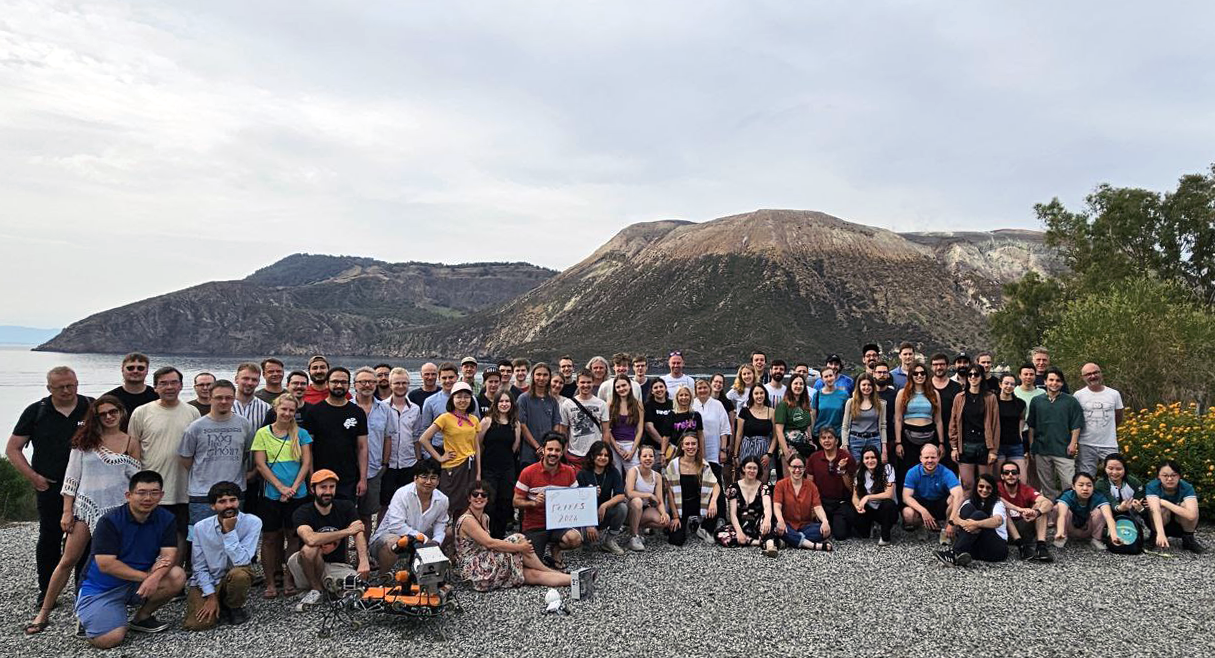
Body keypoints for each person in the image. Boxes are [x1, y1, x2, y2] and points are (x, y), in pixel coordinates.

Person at [25, 395, 141, 635]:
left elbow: (135, 481)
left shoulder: (131, 442)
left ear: (121, 413)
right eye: (103, 413)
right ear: (95, 417)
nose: (109, 417)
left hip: (118, 511)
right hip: (85, 509)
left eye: (113, 412)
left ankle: (102, 608)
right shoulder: (84, 441)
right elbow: (71, 479)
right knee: (68, 560)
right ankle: (44, 611)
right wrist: (67, 512)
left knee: (115, 562)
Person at [7, 365, 92, 608]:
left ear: (77, 383)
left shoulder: (91, 407)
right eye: (60, 387)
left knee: (87, 539)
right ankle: (47, 590)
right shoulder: (37, 411)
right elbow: (13, 449)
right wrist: (33, 477)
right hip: (51, 487)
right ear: (49, 388)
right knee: (50, 538)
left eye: (71, 385)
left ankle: (83, 589)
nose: (66, 391)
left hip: (86, 487)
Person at [73, 470, 187, 648]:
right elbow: (106, 564)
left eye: (154, 493)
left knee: (177, 575)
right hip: (102, 587)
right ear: (128, 495)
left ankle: (142, 618)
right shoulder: (109, 521)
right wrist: (147, 577)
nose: (147, 498)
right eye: (141, 492)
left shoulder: (166, 519)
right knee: (110, 639)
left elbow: (168, 555)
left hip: (136, 584)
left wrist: (155, 577)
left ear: (161, 495)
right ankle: (90, 615)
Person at [128, 366, 201, 565]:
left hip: (183, 487)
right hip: (151, 489)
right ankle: (146, 574)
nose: (169, 387)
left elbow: (197, 448)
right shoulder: (141, 412)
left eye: (173, 382)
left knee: (180, 532)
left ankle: (175, 576)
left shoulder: (192, 412)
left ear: (181, 385)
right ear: (155, 387)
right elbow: (133, 449)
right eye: (163, 383)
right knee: (148, 533)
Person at [455, 482, 572, 591]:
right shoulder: (467, 520)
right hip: (475, 570)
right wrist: (521, 548)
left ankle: (574, 580)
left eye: (483, 495)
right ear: (469, 498)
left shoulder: (485, 517)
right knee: (517, 539)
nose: (479, 497)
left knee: (532, 575)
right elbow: (489, 543)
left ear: (488, 498)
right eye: (475, 494)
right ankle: (548, 570)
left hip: (487, 562)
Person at [251, 394, 313, 598]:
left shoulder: (301, 433)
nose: (287, 413)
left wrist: (294, 487)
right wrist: (280, 487)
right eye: (283, 409)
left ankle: (289, 577)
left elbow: (306, 463)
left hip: (297, 493)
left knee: (293, 537)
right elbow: (260, 464)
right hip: (272, 493)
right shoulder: (262, 433)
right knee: (269, 538)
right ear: (275, 410)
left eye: (291, 410)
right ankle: (270, 581)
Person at [179, 380, 255, 537]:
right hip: (202, 494)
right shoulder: (196, 427)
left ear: (234, 399)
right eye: (219, 397)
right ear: (210, 398)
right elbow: (186, 459)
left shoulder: (244, 424)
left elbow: (246, 454)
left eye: (228, 398)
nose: (224, 401)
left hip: (235, 493)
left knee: (233, 537)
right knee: (200, 539)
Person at [290, 470, 370, 612]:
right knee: (310, 548)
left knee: (359, 587)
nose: (327, 491)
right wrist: (346, 531)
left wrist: (363, 560)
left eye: (331, 487)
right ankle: (316, 590)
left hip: (335, 564)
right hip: (305, 564)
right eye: (323, 487)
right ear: (312, 489)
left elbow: (358, 532)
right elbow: (311, 538)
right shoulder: (302, 512)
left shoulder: (346, 506)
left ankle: (330, 590)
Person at [185, 481, 261, 629]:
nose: (228, 506)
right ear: (213, 506)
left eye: (232, 500)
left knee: (240, 574)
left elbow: (242, 561)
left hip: (235, 574)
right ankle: (218, 602)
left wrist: (229, 532)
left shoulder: (253, 522)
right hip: (210, 579)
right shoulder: (201, 527)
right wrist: (210, 596)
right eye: (222, 502)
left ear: (238, 501)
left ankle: (233, 606)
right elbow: (199, 567)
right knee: (197, 624)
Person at [417, 381, 481, 541]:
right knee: (447, 507)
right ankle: (437, 542)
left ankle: (457, 544)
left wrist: (479, 472)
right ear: (452, 399)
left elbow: (476, 446)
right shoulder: (445, 418)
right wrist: (440, 457)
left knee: (465, 506)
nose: (462, 400)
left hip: (470, 467)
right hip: (452, 468)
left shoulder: (473, 419)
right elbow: (424, 438)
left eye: (466, 397)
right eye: (459, 397)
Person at [514, 433, 583, 570]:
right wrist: (533, 503)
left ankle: (555, 549)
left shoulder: (569, 472)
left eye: (557, 450)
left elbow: (577, 497)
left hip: (559, 523)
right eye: (550, 449)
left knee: (575, 538)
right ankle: (545, 558)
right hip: (535, 525)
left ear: (562, 452)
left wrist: (590, 494)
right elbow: (516, 502)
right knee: (533, 566)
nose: (553, 453)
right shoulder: (528, 472)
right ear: (543, 450)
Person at [370, 459, 448, 575]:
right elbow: (396, 526)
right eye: (424, 477)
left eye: (433, 478)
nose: (428, 482)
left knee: (450, 532)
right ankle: (383, 577)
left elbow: (441, 523)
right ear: (415, 478)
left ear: (438, 481)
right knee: (393, 541)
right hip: (388, 537)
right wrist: (425, 539)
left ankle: (431, 570)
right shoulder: (402, 494)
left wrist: (436, 542)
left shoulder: (442, 499)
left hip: (418, 538)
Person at [301, 368, 368, 502]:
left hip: (349, 477)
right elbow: (308, 449)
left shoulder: (357, 412)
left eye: (343, 382)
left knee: (346, 517)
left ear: (349, 385)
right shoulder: (314, 412)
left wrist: (363, 479)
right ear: (327, 384)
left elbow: (362, 447)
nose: (339, 385)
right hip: (321, 476)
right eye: (335, 381)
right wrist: (310, 477)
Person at [1027, 368, 1084, 503]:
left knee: (1069, 484)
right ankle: (1050, 514)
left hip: (1063, 449)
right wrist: (1031, 446)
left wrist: (1073, 444)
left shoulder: (1071, 401)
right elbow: (1031, 426)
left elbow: (1076, 425)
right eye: (1051, 380)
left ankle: (1069, 512)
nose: (1054, 383)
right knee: (1047, 487)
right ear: (1045, 381)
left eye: (1058, 380)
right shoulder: (1037, 401)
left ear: (1062, 383)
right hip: (1042, 449)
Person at [353, 366, 397, 530]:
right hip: (349, 470)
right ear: (355, 385)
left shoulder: (385, 409)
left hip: (373, 470)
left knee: (366, 515)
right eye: (362, 381)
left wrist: (384, 464)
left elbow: (388, 438)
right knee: (344, 514)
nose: (367, 385)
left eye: (371, 382)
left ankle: (362, 552)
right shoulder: (347, 408)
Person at [948, 365, 999, 496]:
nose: (972, 377)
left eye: (976, 375)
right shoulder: (959, 397)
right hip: (965, 445)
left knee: (986, 485)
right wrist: (954, 447)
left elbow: (995, 425)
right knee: (967, 484)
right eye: (970, 375)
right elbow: (953, 422)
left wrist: (993, 451)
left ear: (982, 377)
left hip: (984, 445)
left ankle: (985, 513)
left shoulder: (990, 398)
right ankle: (966, 512)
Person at [936, 473, 1008, 566]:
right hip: (976, 548)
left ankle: (954, 553)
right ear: (976, 487)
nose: (984, 490)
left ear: (993, 489)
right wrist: (967, 524)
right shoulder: (969, 501)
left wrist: (976, 524)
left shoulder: (998, 503)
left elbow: (997, 521)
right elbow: (955, 519)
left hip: (996, 549)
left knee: (979, 515)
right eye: (981, 486)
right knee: (967, 508)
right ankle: (960, 555)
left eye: (988, 487)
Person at [662, 432, 720, 546]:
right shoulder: (674, 465)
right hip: (680, 505)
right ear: (682, 446)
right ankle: (678, 524)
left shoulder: (703, 464)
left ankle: (702, 527)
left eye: (693, 444)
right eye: (687, 444)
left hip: (697, 502)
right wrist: (675, 517)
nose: (690, 447)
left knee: (717, 499)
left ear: (698, 446)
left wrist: (713, 502)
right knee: (676, 540)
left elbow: (715, 484)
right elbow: (669, 492)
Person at [477, 390, 520, 538]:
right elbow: (479, 445)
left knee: (505, 502)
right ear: (495, 403)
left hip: (507, 468)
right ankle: (486, 535)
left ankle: (499, 536)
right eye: (501, 401)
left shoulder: (515, 424)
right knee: (489, 503)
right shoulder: (487, 421)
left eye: (507, 401)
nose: (504, 404)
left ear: (512, 404)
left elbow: (514, 447)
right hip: (489, 468)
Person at [715, 456, 779, 556]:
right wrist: (739, 532)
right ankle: (759, 542)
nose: (752, 471)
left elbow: (767, 507)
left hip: (758, 524)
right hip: (741, 524)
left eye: (755, 468)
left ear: (758, 470)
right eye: (749, 468)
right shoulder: (734, 487)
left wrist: (767, 519)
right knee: (720, 534)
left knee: (769, 522)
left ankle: (770, 547)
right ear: (744, 468)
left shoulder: (763, 487)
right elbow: (733, 513)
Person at [894, 364, 944, 492]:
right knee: (907, 470)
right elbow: (898, 419)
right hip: (908, 437)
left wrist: (941, 443)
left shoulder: (934, 394)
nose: (919, 376)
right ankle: (906, 503)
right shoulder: (902, 393)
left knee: (929, 469)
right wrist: (898, 442)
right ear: (911, 376)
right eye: (916, 373)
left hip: (929, 435)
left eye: (922, 373)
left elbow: (938, 420)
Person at [901, 444, 963, 544]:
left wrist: (952, 522)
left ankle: (946, 530)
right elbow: (905, 497)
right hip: (921, 503)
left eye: (933, 457)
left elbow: (959, 495)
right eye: (926, 457)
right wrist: (923, 511)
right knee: (908, 513)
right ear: (920, 458)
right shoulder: (912, 472)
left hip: (940, 503)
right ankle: (922, 526)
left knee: (953, 499)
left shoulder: (946, 472)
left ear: (938, 458)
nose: (930, 460)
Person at [1073, 362, 1125, 478]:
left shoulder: (1113, 394)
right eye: (1088, 374)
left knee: (1115, 475)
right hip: (1086, 444)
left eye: (1095, 372)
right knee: (1086, 477)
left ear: (1101, 374)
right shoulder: (1078, 395)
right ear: (1083, 377)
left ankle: (1114, 496)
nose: (1092, 376)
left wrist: (1109, 429)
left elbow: (1119, 415)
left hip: (1109, 444)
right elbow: (1075, 418)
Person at [772, 454, 832, 551]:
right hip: (787, 524)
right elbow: (777, 506)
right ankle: (813, 546)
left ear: (804, 469)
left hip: (806, 525)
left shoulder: (811, 486)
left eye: (800, 467)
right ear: (789, 468)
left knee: (824, 530)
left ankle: (790, 541)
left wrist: (825, 521)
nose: (797, 470)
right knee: (778, 528)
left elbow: (818, 507)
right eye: (794, 467)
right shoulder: (780, 485)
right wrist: (780, 520)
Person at [997, 461, 1054, 562]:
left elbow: (1048, 503)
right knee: (1002, 508)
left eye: (1014, 472)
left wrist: (1036, 512)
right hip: (1005, 530)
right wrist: (1019, 509)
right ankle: (1021, 547)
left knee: (1041, 507)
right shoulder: (996, 488)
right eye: (1006, 473)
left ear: (1018, 476)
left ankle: (1041, 546)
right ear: (1002, 476)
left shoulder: (1025, 489)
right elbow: (995, 498)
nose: (1010, 475)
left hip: (1025, 527)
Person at [577, 441, 628, 555]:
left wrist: (605, 505)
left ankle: (609, 541)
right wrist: (589, 523)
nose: (603, 458)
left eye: (606, 455)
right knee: (587, 547)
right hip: (585, 517)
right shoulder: (582, 474)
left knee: (622, 507)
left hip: (602, 513)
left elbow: (620, 494)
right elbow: (577, 502)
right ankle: (587, 538)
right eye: (599, 455)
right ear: (592, 456)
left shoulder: (613, 471)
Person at [383, 367, 421, 518]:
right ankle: (381, 536)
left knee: (408, 502)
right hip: (388, 464)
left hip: (409, 463)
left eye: (404, 383)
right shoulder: (381, 407)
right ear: (390, 384)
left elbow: (416, 436)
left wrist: (419, 460)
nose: (400, 386)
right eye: (397, 383)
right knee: (385, 504)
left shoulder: (415, 409)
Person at [806, 428, 857, 540]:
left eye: (830, 438)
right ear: (819, 441)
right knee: (816, 532)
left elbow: (851, 488)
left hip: (841, 503)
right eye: (823, 438)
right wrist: (812, 506)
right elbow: (809, 484)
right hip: (821, 502)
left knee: (840, 535)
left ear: (837, 441)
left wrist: (842, 470)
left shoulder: (846, 457)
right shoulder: (814, 458)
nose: (827, 441)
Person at [1145, 460, 1204, 553]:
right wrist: (1160, 533)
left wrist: (1163, 502)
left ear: (1179, 476)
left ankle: (1188, 539)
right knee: (1159, 508)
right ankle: (1154, 536)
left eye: (1173, 475)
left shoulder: (1187, 487)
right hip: (1160, 522)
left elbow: (1192, 515)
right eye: (1165, 475)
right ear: (1158, 477)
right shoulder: (1152, 486)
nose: (1169, 479)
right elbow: (1155, 509)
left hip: (1180, 523)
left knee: (1186, 506)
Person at [1053, 472, 1121, 551]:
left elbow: (1108, 517)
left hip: (1088, 529)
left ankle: (1096, 539)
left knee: (1101, 512)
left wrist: (1114, 535)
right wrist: (1060, 531)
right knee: (1057, 508)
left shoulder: (1098, 496)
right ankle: (1062, 537)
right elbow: (1062, 515)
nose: (1085, 488)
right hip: (1069, 528)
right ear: (1073, 486)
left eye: (1089, 485)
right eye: (1081, 485)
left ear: (1093, 487)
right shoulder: (1067, 495)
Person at [558, 370, 611, 468]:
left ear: (593, 383)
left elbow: (606, 431)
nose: (585, 385)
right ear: (577, 383)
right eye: (582, 382)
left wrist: (604, 451)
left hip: (595, 454)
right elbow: (563, 430)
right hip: (574, 453)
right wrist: (564, 451)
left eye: (588, 382)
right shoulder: (567, 404)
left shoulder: (601, 404)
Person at [623, 445, 671, 551]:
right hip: (630, 508)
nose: (648, 458)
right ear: (639, 458)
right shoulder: (633, 471)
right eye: (645, 456)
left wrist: (663, 513)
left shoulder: (657, 476)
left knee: (664, 521)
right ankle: (634, 537)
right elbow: (629, 493)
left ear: (654, 458)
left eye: (651, 456)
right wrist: (648, 495)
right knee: (637, 501)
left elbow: (659, 500)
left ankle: (637, 530)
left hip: (645, 509)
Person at [693, 379, 731, 509]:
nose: (702, 390)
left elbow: (725, 429)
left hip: (714, 450)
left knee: (716, 482)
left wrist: (723, 450)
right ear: (695, 390)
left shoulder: (717, 404)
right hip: (694, 452)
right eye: (699, 388)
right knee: (697, 483)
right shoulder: (692, 405)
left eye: (705, 387)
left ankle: (720, 513)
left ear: (709, 389)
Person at [517, 363, 562, 469]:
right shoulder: (523, 399)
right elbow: (522, 425)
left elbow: (556, 424)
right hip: (529, 453)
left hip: (549, 453)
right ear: (533, 376)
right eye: (538, 374)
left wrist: (550, 446)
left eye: (545, 375)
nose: (541, 378)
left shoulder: (552, 401)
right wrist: (537, 447)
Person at [851, 446, 897, 545]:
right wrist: (858, 506)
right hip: (869, 508)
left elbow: (889, 494)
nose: (870, 460)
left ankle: (885, 536)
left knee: (888, 504)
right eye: (866, 458)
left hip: (884, 508)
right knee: (864, 534)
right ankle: (871, 525)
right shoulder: (859, 472)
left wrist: (867, 497)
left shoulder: (887, 468)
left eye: (873, 457)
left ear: (878, 458)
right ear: (862, 460)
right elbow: (855, 496)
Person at [733, 384, 774, 483]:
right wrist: (735, 455)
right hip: (746, 448)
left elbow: (775, 436)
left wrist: (769, 454)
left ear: (765, 394)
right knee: (745, 482)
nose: (759, 396)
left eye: (761, 393)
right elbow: (739, 434)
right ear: (752, 396)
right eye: (756, 393)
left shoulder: (771, 412)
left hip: (764, 450)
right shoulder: (744, 411)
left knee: (762, 482)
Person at [842, 373, 886, 462]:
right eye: (864, 385)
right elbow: (845, 426)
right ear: (859, 386)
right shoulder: (851, 402)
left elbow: (883, 426)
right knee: (856, 469)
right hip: (855, 440)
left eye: (869, 385)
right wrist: (845, 445)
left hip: (874, 440)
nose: (866, 387)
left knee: (874, 468)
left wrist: (884, 448)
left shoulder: (881, 404)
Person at [774, 375, 814, 470]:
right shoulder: (783, 405)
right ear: (790, 386)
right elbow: (779, 430)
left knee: (804, 477)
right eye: (795, 383)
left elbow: (807, 425)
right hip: (789, 445)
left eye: (801, 384)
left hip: (804, 445)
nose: (798, 386)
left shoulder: (805, 404)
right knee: (790, 479)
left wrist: (811, 441)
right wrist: (786, 451)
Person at [608, 375, 645, 474]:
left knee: (635, 477)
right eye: (618, 387)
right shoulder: (610, 405)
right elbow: (606, 430)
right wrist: (616, 448)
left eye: (624, 385)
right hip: (615, 446)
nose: (621, 389)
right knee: (616, 477)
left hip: (631, 444)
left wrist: (633, 450)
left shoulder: (638, 404)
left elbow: (640, 429)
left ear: (630, 386)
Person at [105, 352, 159, 420]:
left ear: (147, 371)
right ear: (122, 369)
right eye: (130, 368)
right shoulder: (109, 399)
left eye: (140, 368)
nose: (135, 371)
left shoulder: (157, 397)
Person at [995, 374, 1029, 483]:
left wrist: (1019, 432)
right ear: (1000, 384)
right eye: (1006, 383)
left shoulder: (1020, 403)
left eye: (1012, 384)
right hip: (998, 445)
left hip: (1015, 444)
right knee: (999, 480)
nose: (1009, 386)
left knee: (1021, 479)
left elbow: (1022, 418)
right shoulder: (993, 401)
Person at [811, 368, 850, 443]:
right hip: (820, 436)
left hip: (837, 436)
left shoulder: (844, 395)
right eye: (826, 377)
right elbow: (813, 417)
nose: (829, 378)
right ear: (822, 379)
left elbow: (847, 417)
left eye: (830, 375)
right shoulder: (817, 395)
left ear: (835, 376)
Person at [233, 362, 271, 432]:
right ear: (236, 379)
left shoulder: (266, 408)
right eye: (245, 378)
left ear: (258, 382)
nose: (250, 383)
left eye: (254, 380)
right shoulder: (226, 405)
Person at [643, 379, 675, 462]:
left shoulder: (673, 404)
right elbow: (649, 427)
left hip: (672, 448)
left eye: (661, 386)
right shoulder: (648, 405)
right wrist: (665, 445)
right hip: (654, 449)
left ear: (666, 388)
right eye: (655, 387)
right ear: (652, 391)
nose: (659, 389)